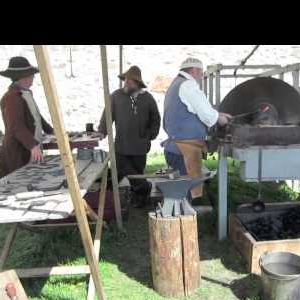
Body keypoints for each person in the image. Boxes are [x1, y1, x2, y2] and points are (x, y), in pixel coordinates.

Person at [162, 57, 232, 199]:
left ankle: (179, 218)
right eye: (201, 73)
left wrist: (218, 114)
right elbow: (206, 114)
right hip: (183, 150)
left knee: (180, 193)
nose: (201, 77)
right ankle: (182, 220)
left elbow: (196, 109)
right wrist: (220, 119)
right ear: (194, 70)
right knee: (183, 196)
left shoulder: (176, 84)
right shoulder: (188, 85)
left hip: (177, 148)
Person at [96, 66, 161, 207]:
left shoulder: (148, 99)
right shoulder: (116, 96)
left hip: (140, 146)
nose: (127, 82)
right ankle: (143, 188)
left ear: (138, 83)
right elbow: (107, 116)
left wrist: (150, 135)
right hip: (121, 144)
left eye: (131, 81)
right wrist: (102, 131)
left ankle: (139, 198)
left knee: (137, 173)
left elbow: (156, 119)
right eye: (126, 80)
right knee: (120, 169)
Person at [0, 56, 54, 179]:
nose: (33, 78)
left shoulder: (25, 93)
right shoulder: (11, 97)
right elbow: (16, 125)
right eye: (31, 75)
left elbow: (36, 116)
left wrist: (52, 131)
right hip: (18, 151)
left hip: (28, 148)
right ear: (24, 77)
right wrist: (32, 145)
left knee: (32, 180)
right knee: (19, 183)